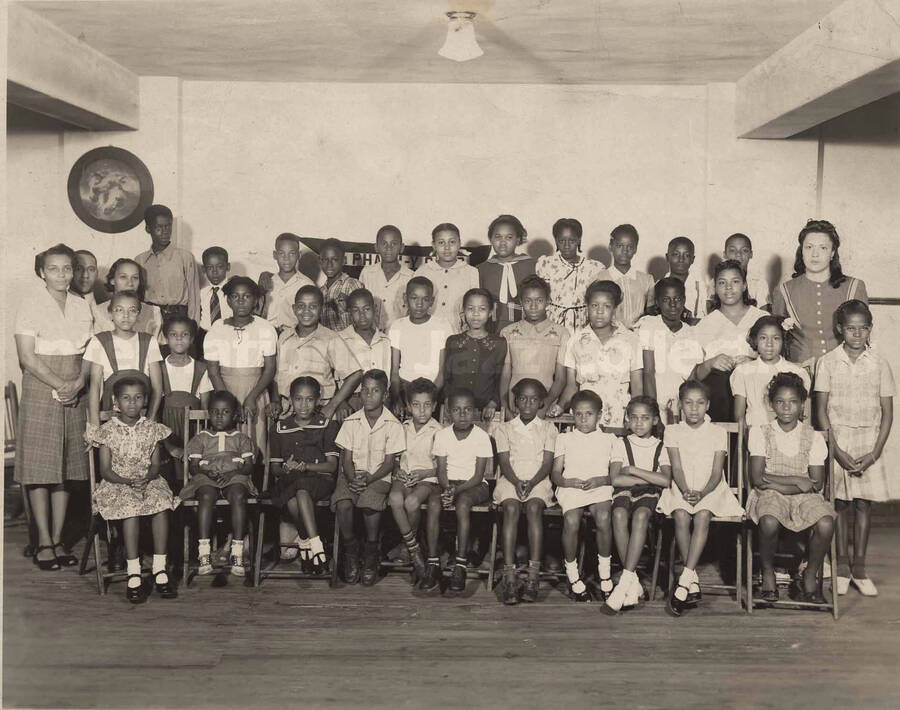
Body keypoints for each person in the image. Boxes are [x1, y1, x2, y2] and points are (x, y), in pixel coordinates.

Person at [14, 244, 93, 570]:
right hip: (42, 387)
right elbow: (27, 357)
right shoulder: (31, 304)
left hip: (76, 386)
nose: (62, 275)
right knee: (41, 470)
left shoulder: (81, 305)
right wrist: (60, 384)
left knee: (67, 470)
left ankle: (58, 540)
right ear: (41, 272)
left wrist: (77, 383)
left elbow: (91, 352)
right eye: (54, 269)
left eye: (67, 268)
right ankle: (43, 541)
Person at [815, 300, 894, 597]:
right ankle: (842, 568)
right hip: (838, 442)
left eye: (863, 328)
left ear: (870, 329)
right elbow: (821, 410)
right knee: (839, 505)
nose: (857, 334)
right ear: (840, 329)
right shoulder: (828, 362)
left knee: (863, 504)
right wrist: (835, 450)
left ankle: (860, 568)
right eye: (851, 328)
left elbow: (888, 413)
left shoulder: (879, 363)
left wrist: (874, 453)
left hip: (868, 442)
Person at [747, 373, 836, 603]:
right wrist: (797, 480)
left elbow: (817, 483)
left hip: (803, 497)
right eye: (780, 402)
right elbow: (758, 479)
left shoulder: (813, 436)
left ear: (802, 403)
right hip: (769, 494)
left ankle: (809, 573)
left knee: (826, 522)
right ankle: (767, 572)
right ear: (771, 404)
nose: (786, 408)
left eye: (793, 402)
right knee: (768, 519)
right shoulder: (760, 432)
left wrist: (778, 480)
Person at [658, 380, 744, 617]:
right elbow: (676, 466)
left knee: (703, 515)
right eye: (688, 403)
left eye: (699, 403)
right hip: (682, 485)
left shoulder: (717, 432)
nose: (694, 409)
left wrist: (703, 493)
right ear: (680, 406)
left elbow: (717, 472)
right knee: (681, 515)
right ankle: (692, 580)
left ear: (708, 405)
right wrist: (686, 490)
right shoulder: (672, 431)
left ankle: (685, 580)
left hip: (712, 488)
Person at [91, 376, 176, 603]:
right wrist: (127, 481)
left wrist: (146, 478)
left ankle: (159, 568)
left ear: (145, 400)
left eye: (138, 398)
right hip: (117, 482)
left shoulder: (151, 428)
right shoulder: (107, 431)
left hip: (148, 480)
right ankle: (134, 572)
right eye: (126, 398)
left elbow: (156, 465)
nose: (132, 403)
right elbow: (105, 470)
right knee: (131, 508)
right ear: (115, 401)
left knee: (161, 503)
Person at [333, 370, 405, 586]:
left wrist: (370, 478)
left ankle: (371, 552)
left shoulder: (393, 425)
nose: (369, 395)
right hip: (352, 476)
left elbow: (390, 463)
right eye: (365, 390)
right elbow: (346, 459)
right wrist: (353, 478)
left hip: (379, 477)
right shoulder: (351, 421)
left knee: (369, 505)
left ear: (384, 396)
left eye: (375, 391)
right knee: (343, 503)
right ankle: (351, 551)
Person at [605, 397, 672, 614]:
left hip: (649, 495)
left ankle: (624, 582)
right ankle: (633, 582)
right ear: (626, 420)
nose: (639, 423)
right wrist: (650, 477)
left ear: (654, 420)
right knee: (618, 514)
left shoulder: (661, 446)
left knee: (642, 515)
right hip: (625, 491)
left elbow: (666, 481)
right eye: (634, 418)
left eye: (645, 418)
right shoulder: (620, 443)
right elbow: (615, 479)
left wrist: (633, 470)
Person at [179, 390, 256, 577]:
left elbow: (248, 467)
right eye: (214, 411)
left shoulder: (241, 438)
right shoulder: (201, 438)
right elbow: (193, 467)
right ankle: (204, 551)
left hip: (235, 475)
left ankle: (237, 551)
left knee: (238, 493)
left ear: (235, 414)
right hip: (207, 476)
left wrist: (232, 474)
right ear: (208, 413)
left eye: (225, 412)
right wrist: (206, 472)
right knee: (206, 495)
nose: (219, 416)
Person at [493, 379, 557, 605]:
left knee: (533, 508)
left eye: (533, 399)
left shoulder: (549, 428)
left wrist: (531, 483)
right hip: (511, 478)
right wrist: (517, 481)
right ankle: (510, 576)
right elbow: (504, 461)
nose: (528, 403)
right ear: (516, 401)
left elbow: (547, 463)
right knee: (510, 507)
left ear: (541, 403)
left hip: (538, 479)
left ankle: (532, 576)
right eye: (523, 398)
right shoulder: (504, 428)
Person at [772, 219, 868, 369]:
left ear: (833, 252)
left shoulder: (855, 287)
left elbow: (864, 339)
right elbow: (775, 344)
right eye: (809, 247)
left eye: (823, 248)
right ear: (801, 251)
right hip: (798, 376)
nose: (815, 254)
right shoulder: (783, 291)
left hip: (844, 371)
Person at [267, 377, 340, 573]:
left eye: (309, 399)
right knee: (295, 494)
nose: (304, 405)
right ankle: (314, 547)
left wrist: (305, 466)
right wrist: (286, 468)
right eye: (298, 399)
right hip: (291, 482)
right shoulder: (279, 429)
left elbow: (331, 466)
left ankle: (310, 546)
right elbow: (275, 468)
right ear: (290, 400)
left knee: (298, 492)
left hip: (321, 482)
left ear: (318, 400)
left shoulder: (327, 426)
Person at [551, 390, 616, 602]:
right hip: (571, 486)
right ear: (572, 414)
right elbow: (556, 474)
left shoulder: (609, 439)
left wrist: (600, 480)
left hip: (599, 485)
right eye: (578, 414)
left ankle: (605, 574)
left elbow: (614, 475)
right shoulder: (564, 438)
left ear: (599, 415)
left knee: (604, 518)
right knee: (571, 521)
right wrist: (567, 482)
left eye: (589, 414)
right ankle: (572, 574)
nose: (583, 419)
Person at [550, 280, 642, 429]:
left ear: (615, 309)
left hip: (619, 418)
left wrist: (634, 419)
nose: (600, 311)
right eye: (594, 306)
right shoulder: (575, 341)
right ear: (587, 307)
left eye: (606, 306)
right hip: (585, 420)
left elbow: (637, 387)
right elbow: (572, 386)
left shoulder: (631, 340)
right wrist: (559, 406)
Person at [204, 276, 277, 451]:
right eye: (235, 296)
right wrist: (229, 403)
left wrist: (251, 397)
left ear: (256, 300)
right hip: (225, 390)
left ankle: (253, 477)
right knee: (228, 443)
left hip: (256, 390)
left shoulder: (265, 328)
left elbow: (269, 369)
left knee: (256, 441)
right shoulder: (217, 328)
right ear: (228, 300)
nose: (241, 301)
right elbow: (213, 372)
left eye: (247, 296)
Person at [272, 285, 363, 424]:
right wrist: (275, 400)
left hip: (319, 411)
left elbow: (355, 374)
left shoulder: (330, 338)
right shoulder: (284, 337)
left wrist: (332, 406)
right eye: (301, 306)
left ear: (321, 310)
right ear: (294, 309)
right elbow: (276, 375)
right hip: (286, 411)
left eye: (313, 306)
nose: (306, 311)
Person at [434, 388, 493, 595]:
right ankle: (432, 562)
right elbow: (441, 471)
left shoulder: (481, 436)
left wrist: (456, 490)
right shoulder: (441, 436)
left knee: (463, 503)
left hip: (475, 486)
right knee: (434, 502)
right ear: (449, 412)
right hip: (449, 483)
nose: (462, 414)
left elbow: (478, 476)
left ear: (475, 412)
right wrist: (446, 487)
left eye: (467, 410)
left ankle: (460, 564)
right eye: (457, 410)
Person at [691, 260, 767, 422]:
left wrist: (753, 361)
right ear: (715, 288)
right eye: (722, 283)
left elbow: (777, 362)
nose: (728, 288)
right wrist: (710, 363)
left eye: (735, 281)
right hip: (719, 397)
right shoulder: (705, 324)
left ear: (745, 285)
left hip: (757, 392)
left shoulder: (761, 318)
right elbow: (694, 377)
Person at [388, 377, 442, 589]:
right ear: (409, 406)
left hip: (427, 479)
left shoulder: (438, 431)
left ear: (435, 406)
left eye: (427, 405)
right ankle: (415, 550)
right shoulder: (403, 427)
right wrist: (398, 470)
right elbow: (394, 459)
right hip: (404, 477)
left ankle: (410, 546)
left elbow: (442, 468)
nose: (422, 411)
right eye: (416, 405)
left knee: (411, 503)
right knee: (395, 498)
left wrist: (423, 474)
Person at [85, 290, 164, 430]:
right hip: (111, 419)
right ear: (110, 314)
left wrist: (150, 421)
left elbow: (157, 388)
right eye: (119, 310)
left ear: (139, 314)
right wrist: (95, 426)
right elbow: (95, 386)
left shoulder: (149, 341)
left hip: (143, 418)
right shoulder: (99, 341)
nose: (126, 315)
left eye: (132, 310)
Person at [636, 277, 704, 424]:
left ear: (684, 300)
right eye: (666, 300)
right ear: (658, 302)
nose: (673, 304)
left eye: (677, 299)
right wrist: (654, 414)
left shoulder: (692, 333)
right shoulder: (649, 325)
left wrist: (683, 408)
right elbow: (648, 372)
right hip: (656, 404)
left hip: (682, 408)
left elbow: (693, 377)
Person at [499, 275, 569, 417]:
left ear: (548, 301)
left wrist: (546, 404)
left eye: (539, 301)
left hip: (545, 402)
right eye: (528, 301)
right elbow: (505, 374)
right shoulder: (508, 332)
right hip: (515, 403)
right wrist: (505, 405)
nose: (533, 306)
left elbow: (561, 378)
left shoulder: (562, 333)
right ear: (521, 302)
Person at [157, 316, 213, 483]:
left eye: (184, 334)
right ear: (166, 338)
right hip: (166, 431)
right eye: (173, 334)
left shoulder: (201, 369)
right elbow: (154, 411)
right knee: (167, 477)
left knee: (192, 477)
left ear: (192, 339)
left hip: (193, 431)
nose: (179, 338)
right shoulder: (159, 368)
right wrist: (168, 445)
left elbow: (204, 411)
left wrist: (197, 444)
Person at [388, 277, 454, 417]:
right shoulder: (397, 326)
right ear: (405, 298)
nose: (419, 304)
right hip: (405, 389)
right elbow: (394, 372)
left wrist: (427, 401)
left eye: (425, 299)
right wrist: (397, 399)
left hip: (432, 391)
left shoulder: (442, 326)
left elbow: (442, 373)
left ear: (432, 301)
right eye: (414, 298)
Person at [442, 288, 507, 424]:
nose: (475, 314)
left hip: (486, 411)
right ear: (463, 311)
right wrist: (448, 399)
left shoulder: (499, 343)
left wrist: (493, 403)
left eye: (482, 309)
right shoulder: (453, 341)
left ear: (490, 312)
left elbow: (500, 378)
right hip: (457, 410)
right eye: (470, 309)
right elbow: (447, 377)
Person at [731, 315, 810, 427]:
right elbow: (739, 415)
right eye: (763, 338)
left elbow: (804, 414)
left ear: (784, 340)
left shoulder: (799, 372)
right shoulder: (743, 371)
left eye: (776, 338)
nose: (769, 344)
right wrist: (747, 441)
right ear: (755, 340)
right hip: (754, 434)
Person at [535, 218, 606, 329]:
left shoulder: (593, 268)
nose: (567, 245)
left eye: (572, 241)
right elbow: (541, 298)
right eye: (562, 241)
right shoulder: (547, 265)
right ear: (556, 240)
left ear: (579, 240)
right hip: (554, 322)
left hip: (583, 324)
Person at [134, 204, 199, 324]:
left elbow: (194, 297)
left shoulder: (185, 258)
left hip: (179, 319)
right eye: (159, 227)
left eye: (168, 226)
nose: (165, 232)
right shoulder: (140, 260)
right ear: (148, 229)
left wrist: (193, 327)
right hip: (150, 320)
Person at [416, 223, 479, 333]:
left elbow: (475, 306)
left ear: (459, 243)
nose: (447, 247)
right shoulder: (422, 271)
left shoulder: (471, 272)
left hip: (457, 334)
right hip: (426, 332)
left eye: (452, 242)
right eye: (441, 242)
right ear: (434, 245)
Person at [477, 214, 536, 332]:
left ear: (518, 239)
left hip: (526, 330)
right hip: (492, 330)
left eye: (509, 237)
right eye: (498, 237)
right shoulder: (481, 269)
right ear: (491, 239)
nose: (502, 242)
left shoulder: (532, 265)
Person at [340, 288, 392, 410]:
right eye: (356, 310)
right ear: (349, 313)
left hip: (382, 401)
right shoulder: (340, 339)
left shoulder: (385, 341)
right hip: (351, 401)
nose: (362, 315)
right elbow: (333, 377)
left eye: (366, 309)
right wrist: (340, 403)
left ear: (375, 309)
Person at [92, 258, 163, 340]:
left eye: (135, 278)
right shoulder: (98, 312)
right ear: (112, 280)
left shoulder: (154, 312)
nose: (130, 283)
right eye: (123, 277)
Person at [257, 233, 314, 333]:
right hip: (266, 337)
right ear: (275, 255)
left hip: (293, 338)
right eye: (281, 253)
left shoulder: (307, 284)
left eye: (291, 253)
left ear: (299, 255)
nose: (286, 258)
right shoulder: (266, 282)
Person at [360, 225, 413, 331]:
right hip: (371, 334)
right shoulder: (367, 273)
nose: (389, 248)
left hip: (399, 335)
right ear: (376, 247)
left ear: (401, 247)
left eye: (394, 244)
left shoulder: (410, 276)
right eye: (384, 243)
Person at [604, 224, 654, 329]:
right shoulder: (599, 279)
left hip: (639, 337)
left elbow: (650, 315)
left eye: (629, 246)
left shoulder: (647, 280)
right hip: (611, 337)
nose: (624, 251)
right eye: (619, 246)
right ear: (610, 246)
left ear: (635, 249)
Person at [649, 236, 707, 320]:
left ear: (692, 259)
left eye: (686, 255)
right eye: (676, 254)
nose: (681, 259)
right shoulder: (657, 286)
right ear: (667, 257)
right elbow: (653, 315)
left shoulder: (700, 286)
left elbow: (705, 317)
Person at [709, 233, 770, 311]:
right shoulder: (715, 282)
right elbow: (711, 312)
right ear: (724, 254)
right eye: (732, 250)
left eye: (744, 250)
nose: (738, 254)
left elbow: (764, 314)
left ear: (751, 254)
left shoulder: (759, 282)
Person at [318, 238, 363, 332]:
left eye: (334, 259)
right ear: (320, 262)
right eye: (325, 259)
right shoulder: (320, 291)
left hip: (348, 344)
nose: (329, 264)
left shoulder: (352, 285)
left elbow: (362, 321)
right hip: (325, 343)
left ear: (343, 260)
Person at [198, 246, 232, 350]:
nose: (215, 272)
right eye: (210, 267)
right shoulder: (201, 294)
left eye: (220, 267)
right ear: (203, 269)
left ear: (228, 267)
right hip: (205, 340)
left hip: (230, 339)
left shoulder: (234, 291)